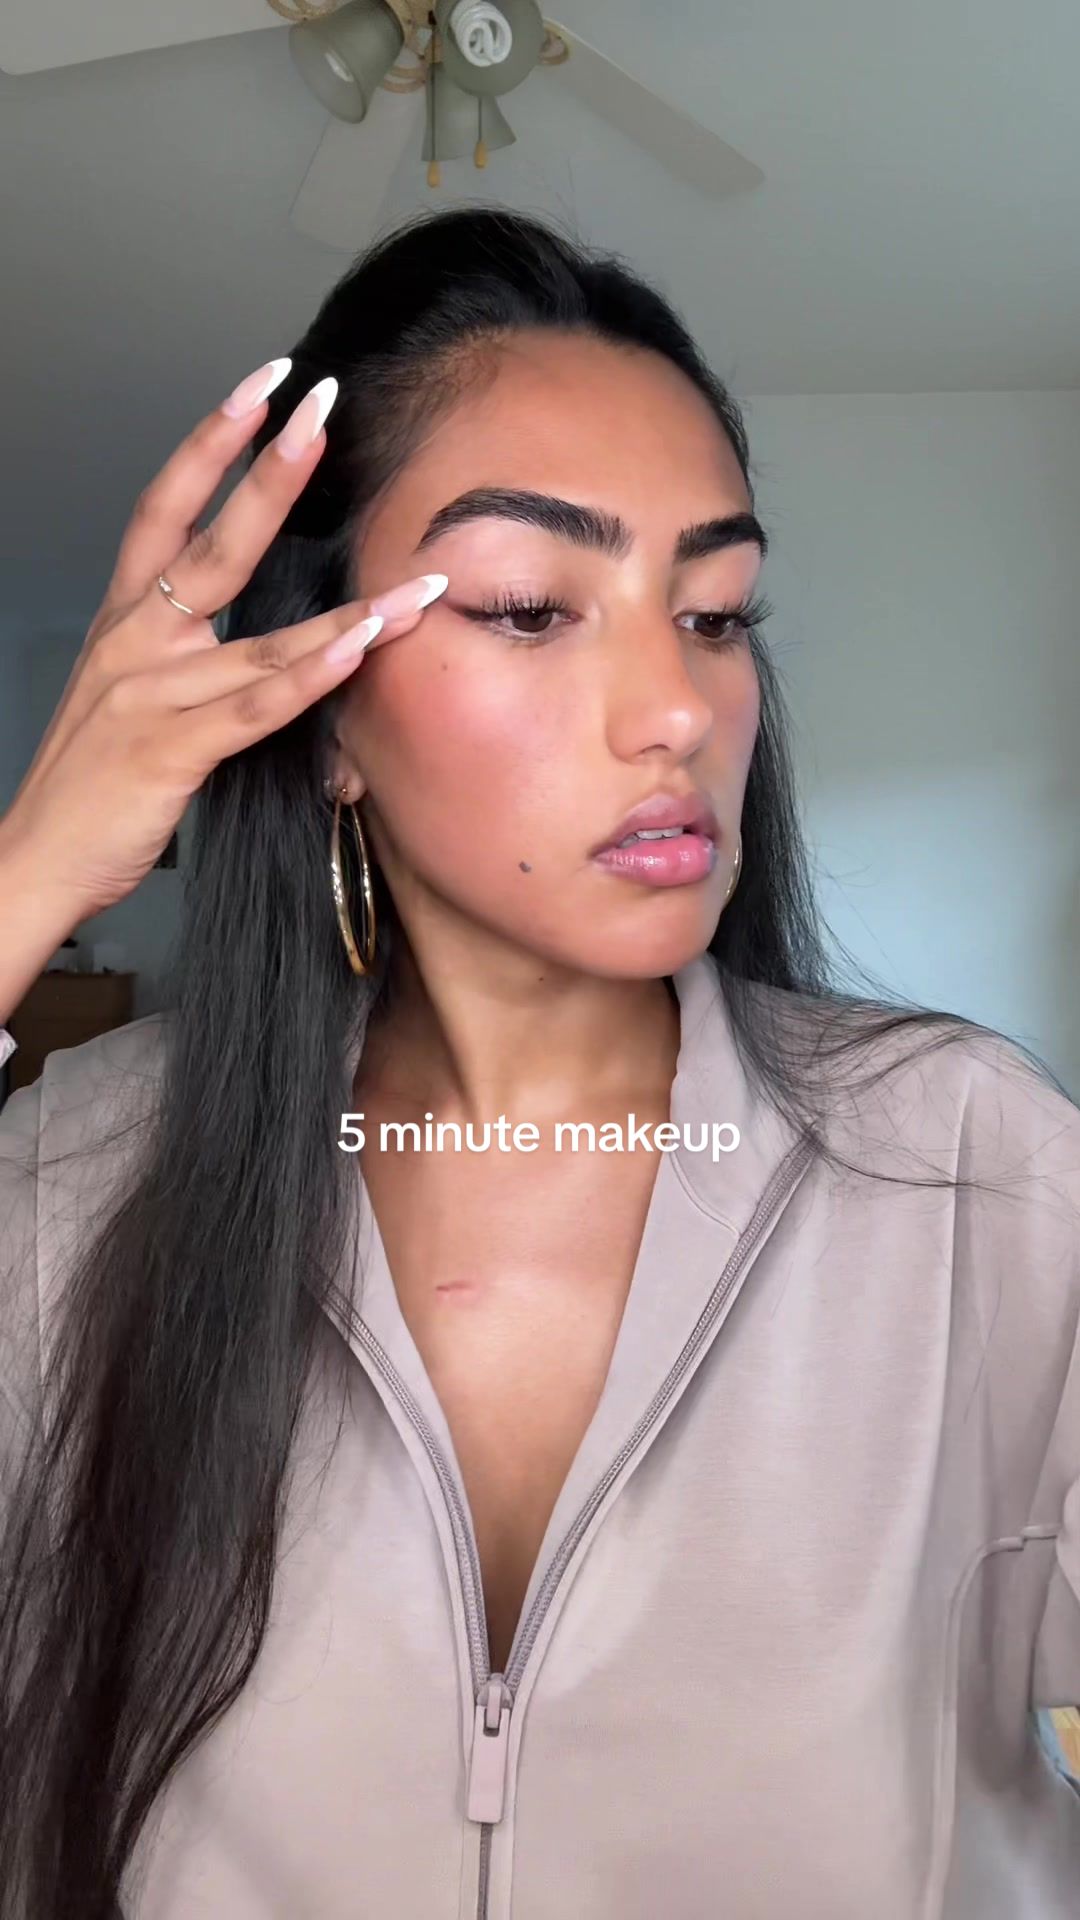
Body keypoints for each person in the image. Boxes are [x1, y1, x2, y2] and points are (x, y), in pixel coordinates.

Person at [0, 205, 1077, 1920]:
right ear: (321, 712)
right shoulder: (78, 1189)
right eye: (527, 608)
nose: (678, 708)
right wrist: (27, 881)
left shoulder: (968, 1167)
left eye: (716, 613)